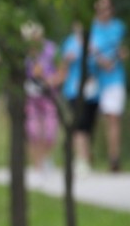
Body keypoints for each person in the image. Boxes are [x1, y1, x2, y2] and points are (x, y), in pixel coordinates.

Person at [90, 0, 127, 172]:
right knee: (90, 121)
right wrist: (103, 61)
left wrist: (118, 57)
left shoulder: (119, 27)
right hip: (93, 80)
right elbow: (91, 53)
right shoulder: (91, 29)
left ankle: (114, 157)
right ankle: (88, 156)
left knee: (112, 119)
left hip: (113, 80)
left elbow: (123, 51)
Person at [58, 21, 100, 176]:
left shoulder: (94, 41)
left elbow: (101, 64)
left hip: (93, 90)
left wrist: (95, 53)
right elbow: (63, 66)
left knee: (88, 126)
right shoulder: (69, 43)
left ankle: (86, 158)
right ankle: (81, 159)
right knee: (79, 124)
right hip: (74, 90)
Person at [21, 21, 60, 176]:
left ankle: (46, 158)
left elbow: (61, 69)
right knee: (33, 130)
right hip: (30, 95)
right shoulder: (23, 51)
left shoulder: (51, 49)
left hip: (49, 93)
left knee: (50, 128)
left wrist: (50, 79)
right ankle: (36, 163)